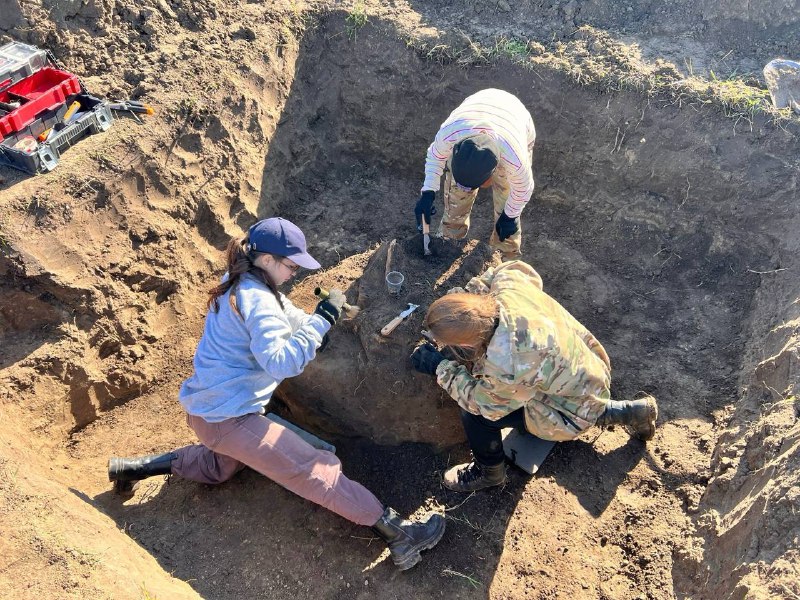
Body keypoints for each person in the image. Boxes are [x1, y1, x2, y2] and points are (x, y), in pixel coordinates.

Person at [108, 217, 444, 571]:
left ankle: (132, 469)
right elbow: (282, 363)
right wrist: (321, 321)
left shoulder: (241, 280)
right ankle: (401, 536)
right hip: (229, 418)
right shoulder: (256, 300)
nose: (294, 272)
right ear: (267, 259)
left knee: (219, 466)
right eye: (291, 265)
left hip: (206, 409)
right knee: (313, 467)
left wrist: (314, 327)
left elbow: (284, 313)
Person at [410, 261, 658, 493]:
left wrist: (440, 367)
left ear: (466, 343)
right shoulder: (508, 288)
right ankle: (632, 411)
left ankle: (489, 473)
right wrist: (470, 298)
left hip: (568, 411)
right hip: (588, 369)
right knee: (571, 397)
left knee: (474, 416)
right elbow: (514, 267)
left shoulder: (508, 363)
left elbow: (484, 405)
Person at [414, 88, 536, 261]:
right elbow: (435, 157)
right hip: (475, 109)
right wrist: (427, 193)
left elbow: (523, 190)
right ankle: (449, 241)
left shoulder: (515, 161)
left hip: (514, 121)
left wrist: (510, 216)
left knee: (507, 201)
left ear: (489, 176)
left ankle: (504, 256)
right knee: (456, 196)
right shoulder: (450, 133)